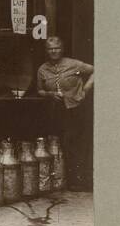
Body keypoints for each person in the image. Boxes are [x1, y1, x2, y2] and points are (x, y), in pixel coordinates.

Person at [35, 36, 94, 190]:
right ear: (46, 51)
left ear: (62, 49)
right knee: (56, 144)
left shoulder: (74, 64)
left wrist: (85, 90)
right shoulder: (42, 69)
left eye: (57, 48)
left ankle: (79, 181)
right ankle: (58, 181)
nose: (54, 51)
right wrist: (49, 94)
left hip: (75, 109)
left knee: (75, 144)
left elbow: (96, 70)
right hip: (55, 111)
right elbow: (39, 90)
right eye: (50, 48)